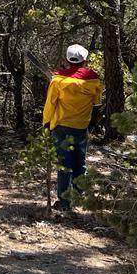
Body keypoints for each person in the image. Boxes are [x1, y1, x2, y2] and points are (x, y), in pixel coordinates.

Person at [42, 44, 103, 211]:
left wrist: (46, 123)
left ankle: (64, 202)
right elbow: (97, 102)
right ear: (84, 60)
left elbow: (50, 104)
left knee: (64, 165)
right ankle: (77, 198)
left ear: (67, 60)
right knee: (79, 163)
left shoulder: (58, 80)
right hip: (81, 127)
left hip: (61, 126)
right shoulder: (94, 80)